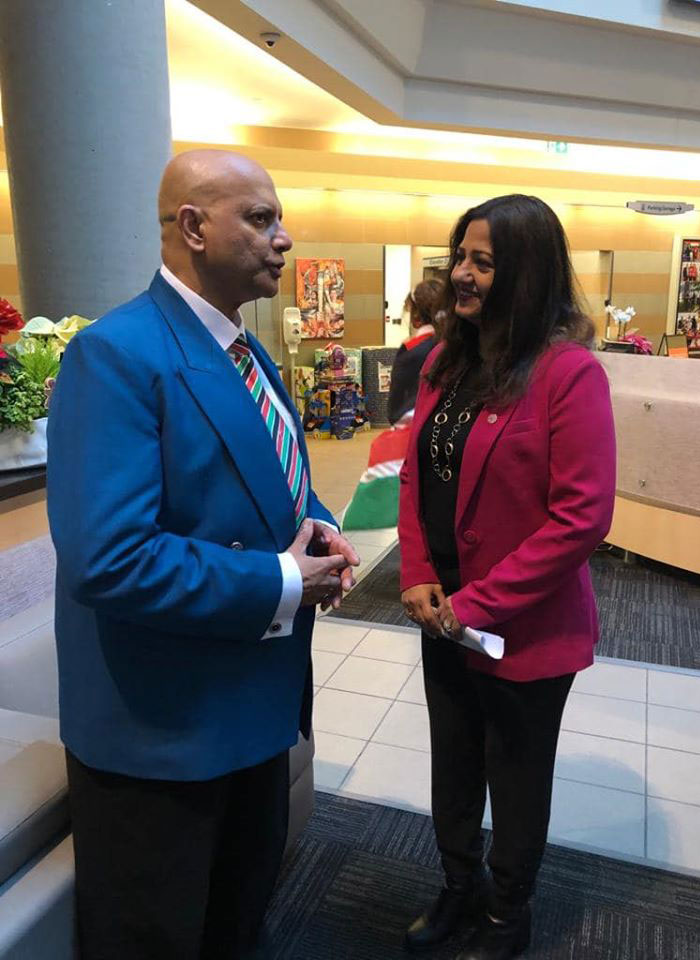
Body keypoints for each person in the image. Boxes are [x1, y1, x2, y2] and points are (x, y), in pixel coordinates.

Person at [46, 149, 359, 960]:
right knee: (155, 939)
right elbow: (109, 558)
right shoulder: (116, 354)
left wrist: (318, 525)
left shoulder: (247, 354)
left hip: (251, 708)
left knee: (236, 923)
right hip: (163, 733)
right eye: (260, 219)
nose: (283, 239)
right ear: (192, 228)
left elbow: (272, 485)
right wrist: (284, 579)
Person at [399, 195, 615, 960]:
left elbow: (581, 518)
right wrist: (417, 573)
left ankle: (505, 914)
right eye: (460, 254)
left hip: (523, 625)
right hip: (441, 613)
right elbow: (416, 476)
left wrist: (476, 604)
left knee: (515, 780)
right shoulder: (444, 361)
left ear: (525, 273)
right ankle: (459, 886)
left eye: (482, 262)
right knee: (454, 763)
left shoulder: (568, 374)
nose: (461, 272)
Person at [387, 278, 444, 425]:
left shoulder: (412, 351)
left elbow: (397, 406)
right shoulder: (458, 345)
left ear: (416, 316)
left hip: (414, 425)